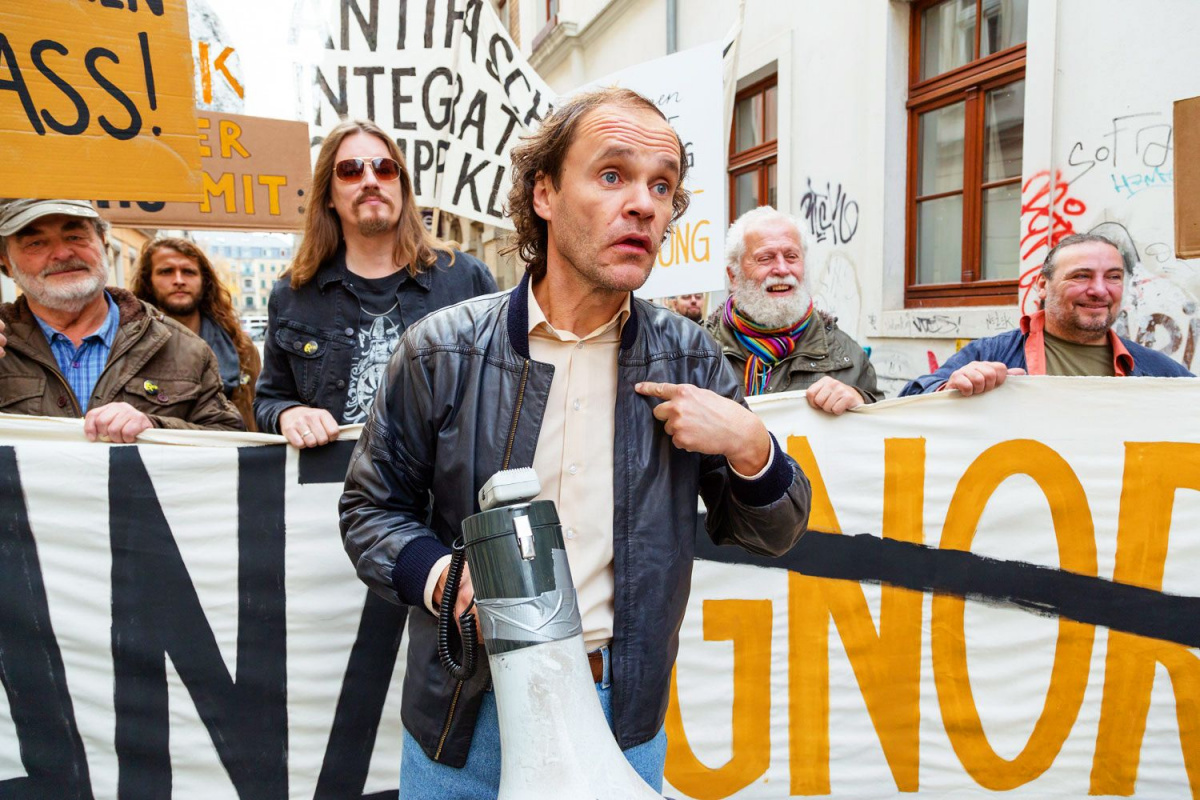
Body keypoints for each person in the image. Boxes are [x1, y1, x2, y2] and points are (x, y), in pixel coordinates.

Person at [339, 87, 811, 797]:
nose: (644, 205)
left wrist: (751, 446)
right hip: (467, 717)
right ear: (545, 194)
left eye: (662, 186)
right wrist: (445, 580)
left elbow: (775, 533)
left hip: (620, 711)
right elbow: (371, 511)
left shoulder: (691, 360)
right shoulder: (441, 351)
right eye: (613, 175)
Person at [253, 119, 497, 447]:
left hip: (444, 478)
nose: (370, 180)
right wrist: (289, 413)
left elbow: (506, 390)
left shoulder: (466, 280)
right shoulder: (292, 294)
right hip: (336, 478)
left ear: (402, 188)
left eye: (384, 168)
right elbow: (268, 400)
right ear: (328, 195)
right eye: (350, 170)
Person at [0, 199, 244, 438]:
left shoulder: (181, 347)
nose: (62, 253)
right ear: (5, 261)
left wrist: (155, 427)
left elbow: (229, 438)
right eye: (36, 243)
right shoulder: (5, 345)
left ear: (103, 242)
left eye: (75, 236)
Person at [901, 232, 1194, 396]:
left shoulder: (1156, 370)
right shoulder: (991, 354)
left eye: (1113, 277)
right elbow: (908, 402)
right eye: (1081, 276)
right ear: (1042, 285)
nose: (1099, 290)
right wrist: (949, 389)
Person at [705, 206, 880, 414]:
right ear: (733, 276)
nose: (782, 269)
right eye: (765, 258)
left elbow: (880, 425)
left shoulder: (846, 355)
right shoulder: (698, 351)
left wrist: (860, 400)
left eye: (791, 256)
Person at [132, 237, 261, 431]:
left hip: (233, 446)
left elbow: (256, 415)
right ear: (149, 281)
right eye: (166, 271)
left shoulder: (241, 347)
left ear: (204, 281)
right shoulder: (131, 346)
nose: (179, 280)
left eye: (188, 272)